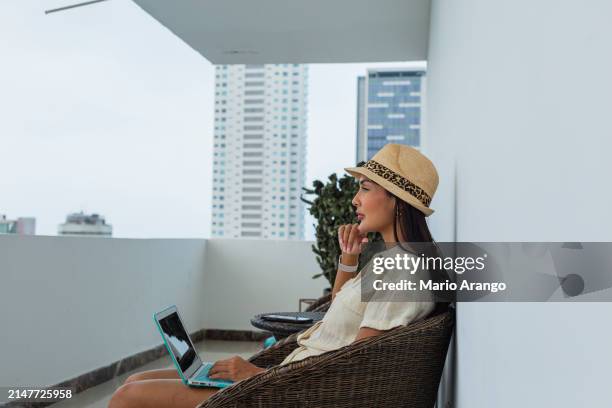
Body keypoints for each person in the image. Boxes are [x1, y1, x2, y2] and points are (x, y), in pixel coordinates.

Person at [108, 143, 442, 408]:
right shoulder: (393, 262)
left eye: (365, 189)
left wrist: (257, 374)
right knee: (134, 382)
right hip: (289, 379)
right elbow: (342, 313)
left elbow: (357, 362)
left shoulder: (402, 270)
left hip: (289, 392)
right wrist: (349, 260)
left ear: (397, 201)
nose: (355, 199)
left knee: (129, 398)